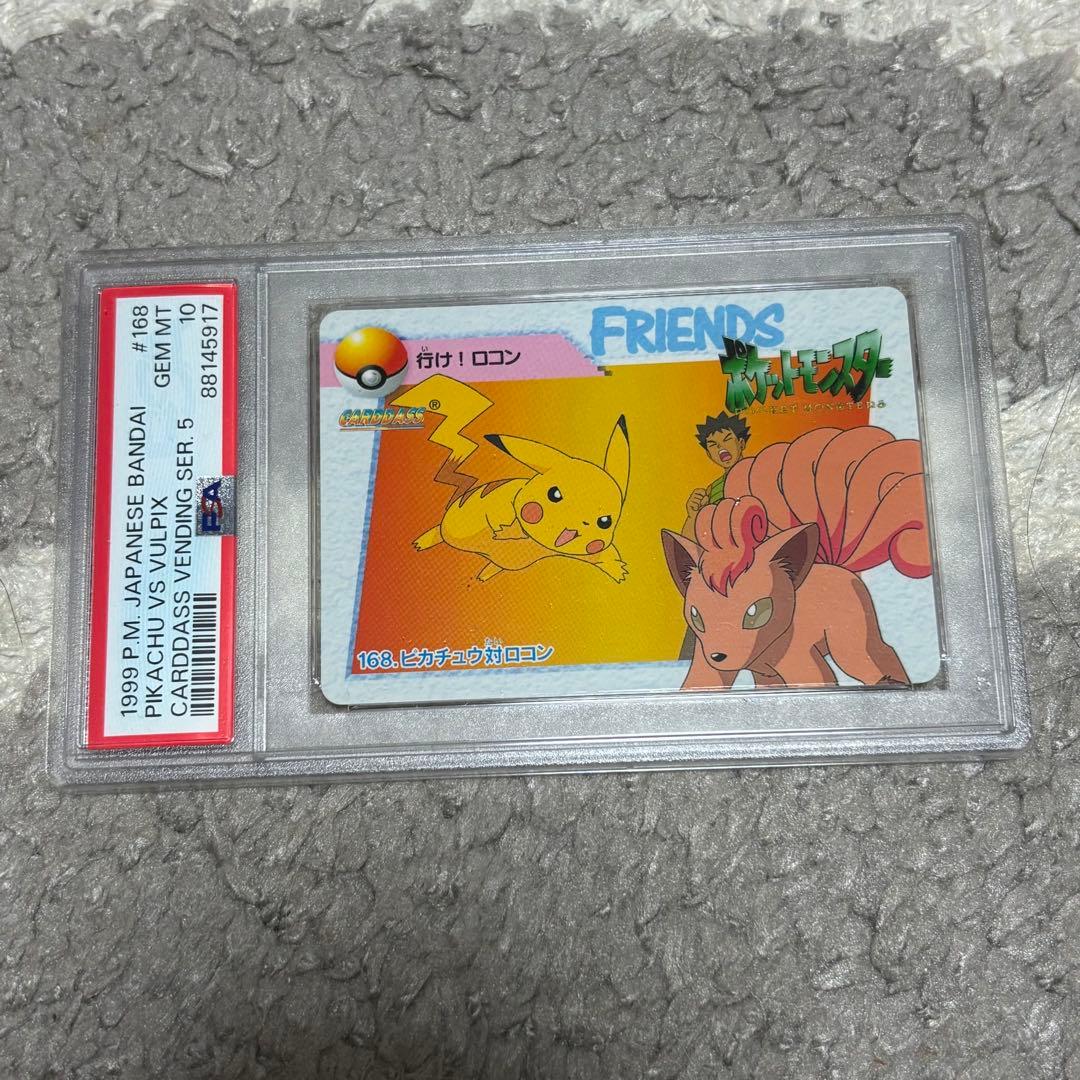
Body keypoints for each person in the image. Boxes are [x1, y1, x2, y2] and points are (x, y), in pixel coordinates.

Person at [682, 413, 750, 538]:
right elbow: (688, 541)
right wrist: (693, 515)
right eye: (713, 445)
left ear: (741, 443)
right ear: (709, 454)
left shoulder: (757, 471)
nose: (720, 447)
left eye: (727, 439)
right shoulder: (712, 490)